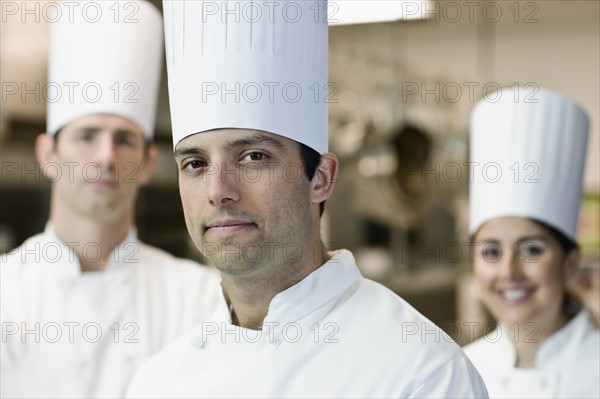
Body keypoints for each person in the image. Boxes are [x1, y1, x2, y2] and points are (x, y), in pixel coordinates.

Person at [126, 1, 488, 397]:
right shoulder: (158, 382)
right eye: (195, 164)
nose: (218, 191)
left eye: (253, 157)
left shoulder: (421, 373)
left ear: (322, 177)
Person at [0, 1, 220, 397]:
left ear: (149, 162)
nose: (106, 156)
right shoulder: (6, 294)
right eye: (87, 136)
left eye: (124, 139)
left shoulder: (201, 299)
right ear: (48, 154)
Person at [463, 87, 600, 398]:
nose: (509, 271)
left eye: (532, 250)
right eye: (491, 251)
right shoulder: (458, 368)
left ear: (571, 263)